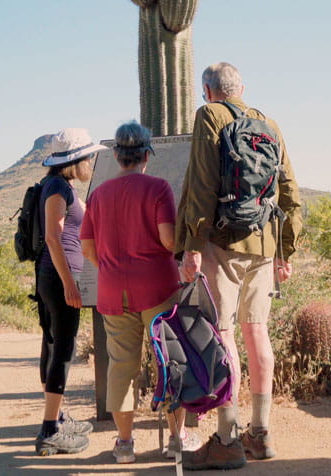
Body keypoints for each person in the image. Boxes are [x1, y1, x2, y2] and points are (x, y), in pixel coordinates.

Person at [175, 62, 303, 470]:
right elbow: (290, 192)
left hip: (222, 242)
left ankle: (228, 439)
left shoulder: (209, 116)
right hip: (264, 243)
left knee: (223, 332)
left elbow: (201, 184)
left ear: (208, 90)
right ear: (241, 88)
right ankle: (260, 434)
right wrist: (285, 249)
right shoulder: (269, 123)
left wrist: (192, 245)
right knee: (257, 332)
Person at [80, 120, 201, 464]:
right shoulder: (158, 188)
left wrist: (111, 265)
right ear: (147, 154)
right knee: (171, 361)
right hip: (158, 288)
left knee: (121, 366)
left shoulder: (99, 194)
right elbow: (167, 238)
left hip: (112, 292)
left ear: (118, 156)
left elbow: (88, 248)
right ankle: (177, 440)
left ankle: (124, 444)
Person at [35, 128, 107, 456]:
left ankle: (57, 416)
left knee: (54, 345)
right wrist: (69, 283)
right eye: (87, 157)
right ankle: (50, 430)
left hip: (56, 276)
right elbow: (53, 237)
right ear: (74, 161)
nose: (90, 162)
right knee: (62, 348)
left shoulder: (61, 186)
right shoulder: (56, 188)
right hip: (58, 277)